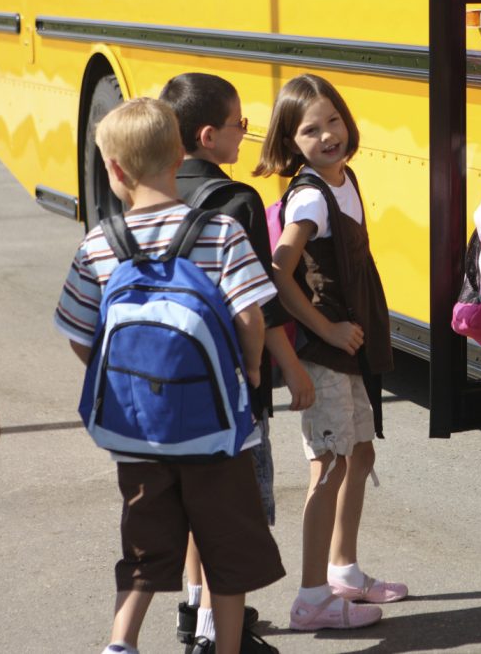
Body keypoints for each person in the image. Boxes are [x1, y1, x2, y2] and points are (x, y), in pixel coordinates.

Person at [53, 98, 285, 654]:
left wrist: (125, 384)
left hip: (138, 435)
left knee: (143, 547)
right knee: (226, 552)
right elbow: (251, 316)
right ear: (181, 152)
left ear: (113, 170)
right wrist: (250, 369)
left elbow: (80, 332)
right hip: (217, 432)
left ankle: (121, 641)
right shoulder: (220, 231)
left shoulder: (98, 244)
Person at [159, 73, 317, 654]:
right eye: (238, 124)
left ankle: (193, 607)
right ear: (207, 136)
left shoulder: (152, 189)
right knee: (236, 510)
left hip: (168, 381)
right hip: (229, 384)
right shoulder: (236, 201)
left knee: (199, 500)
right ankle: (216, 634)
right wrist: (288, 370)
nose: (245, 131)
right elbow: (257, 304)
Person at [254, 75, 403, 631]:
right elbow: (277, 271)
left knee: (359, 454)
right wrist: (328, 329)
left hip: (351, 348)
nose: (327, 135)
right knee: (330, 465)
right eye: (310, 129)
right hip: (325, 350)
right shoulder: (312, 193)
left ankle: (344, 570)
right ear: (292, 142)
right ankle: (311, 597)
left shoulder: (344, 179)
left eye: (333, 120)